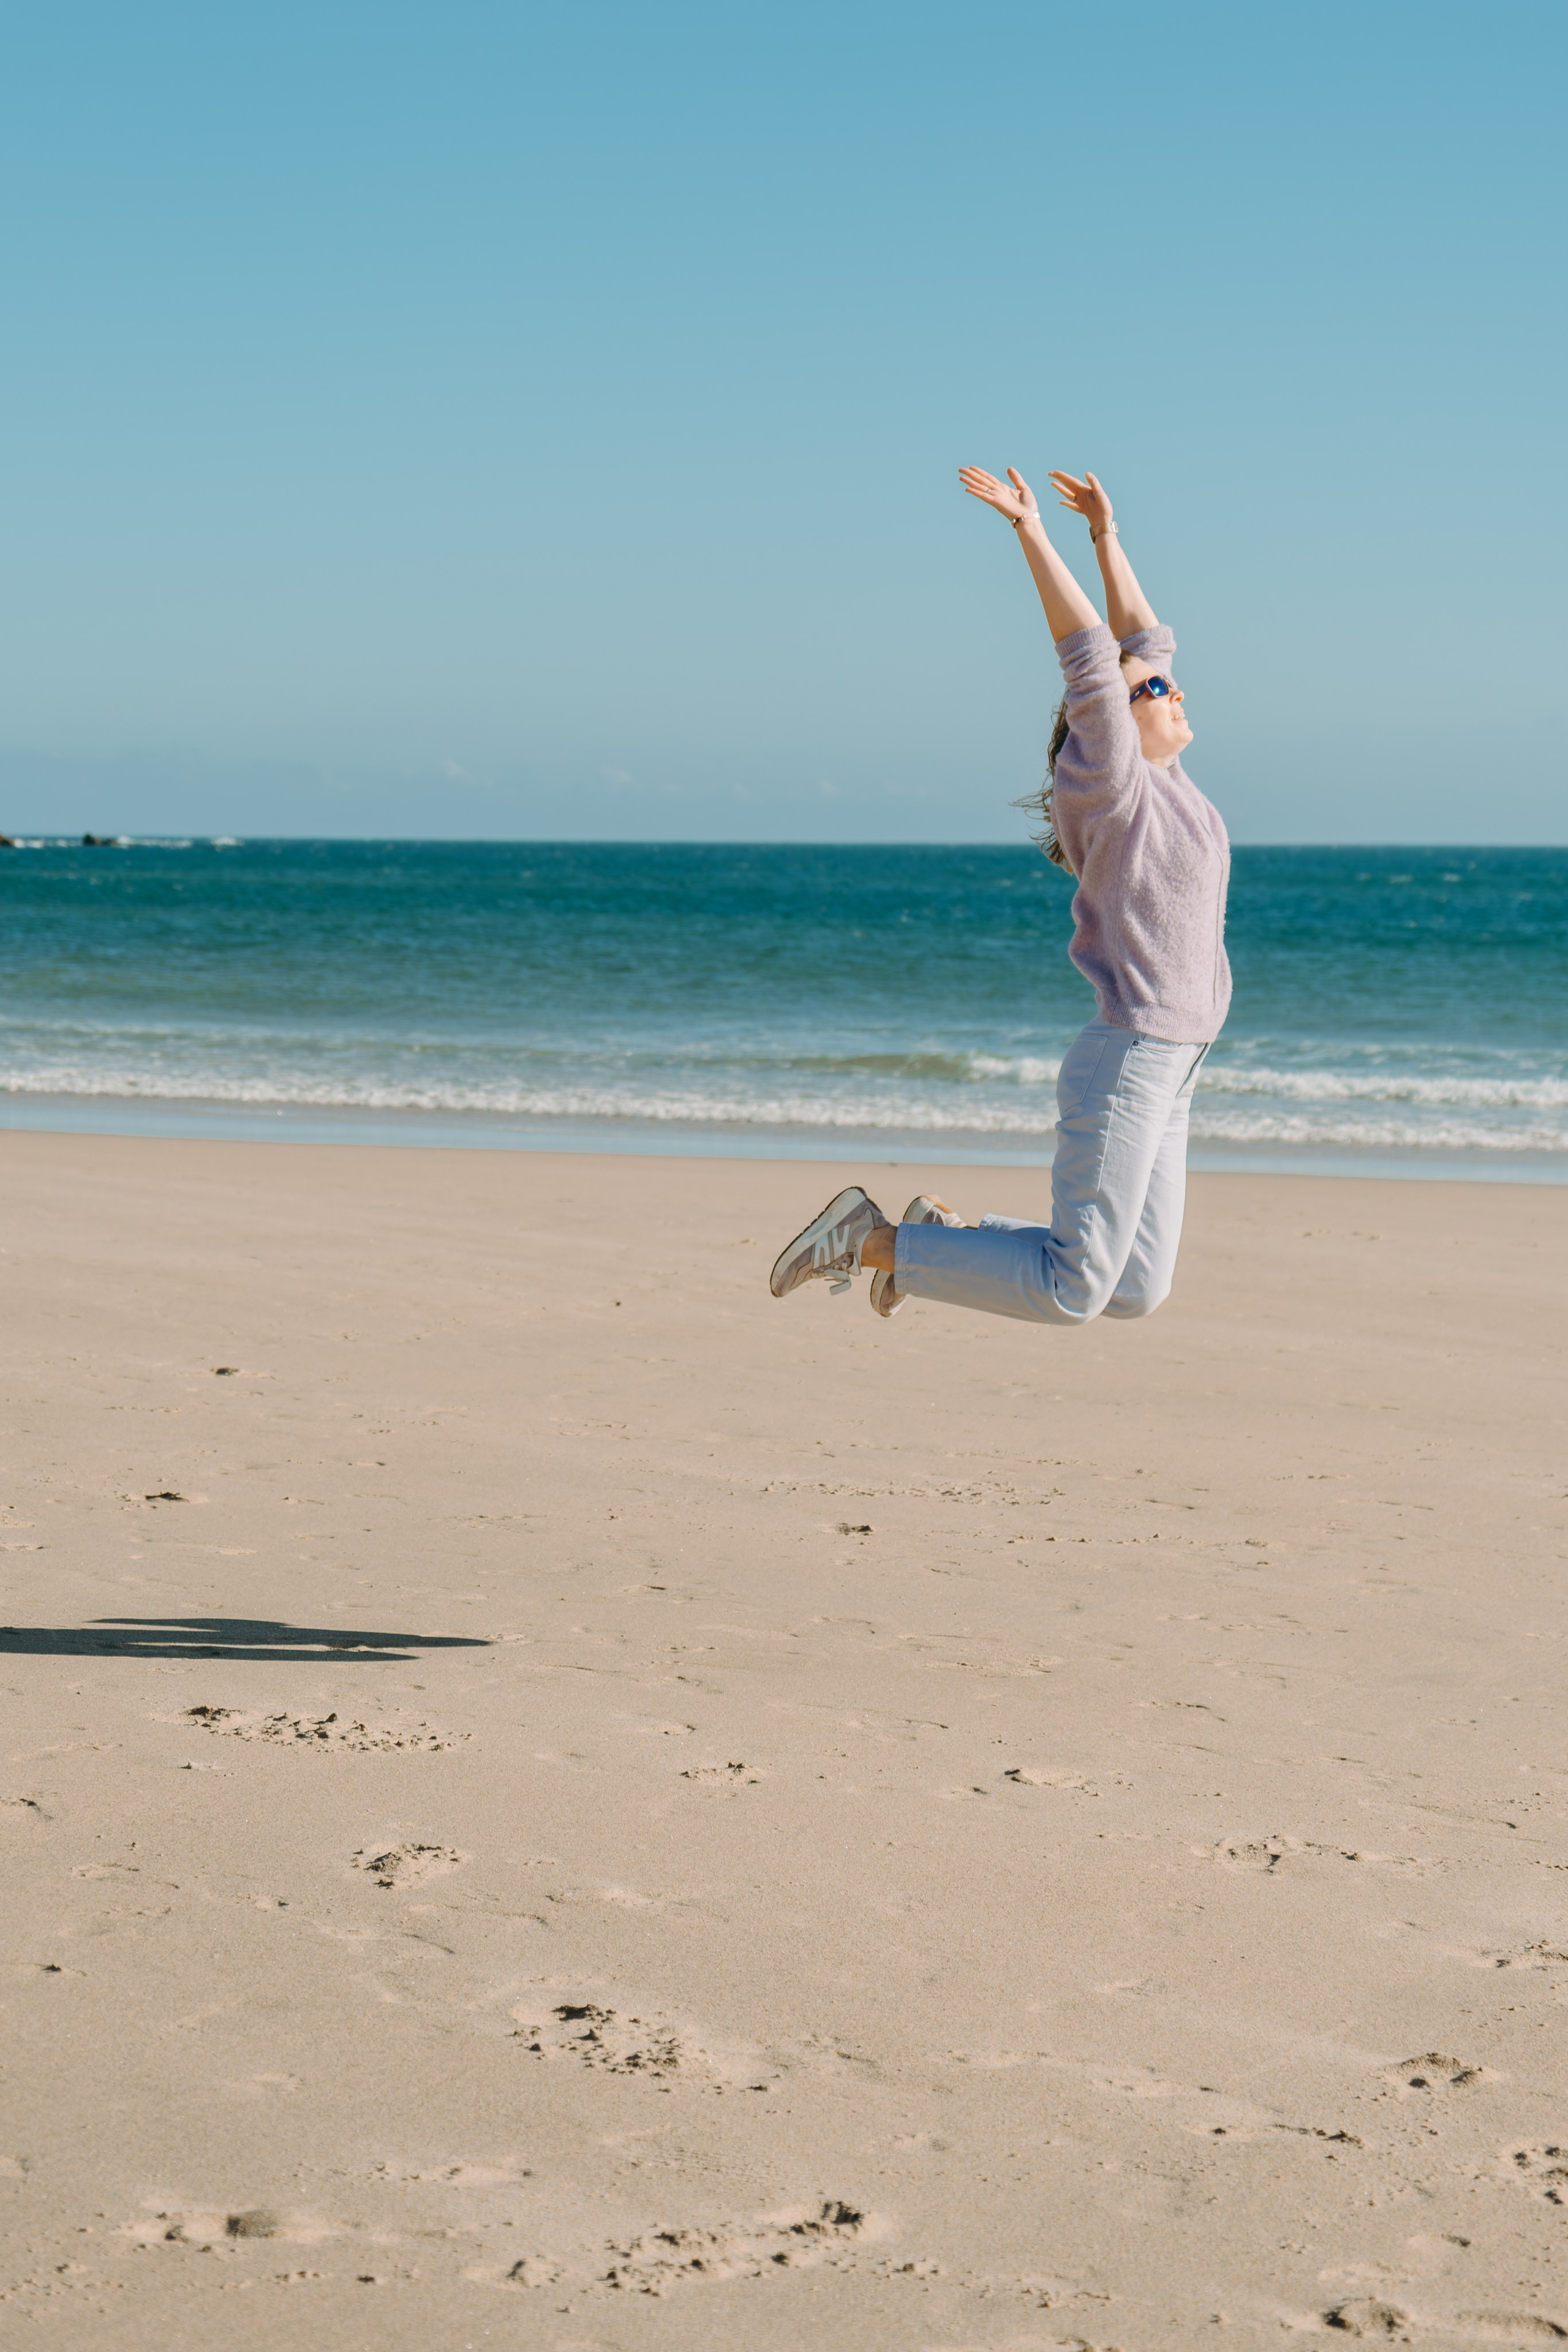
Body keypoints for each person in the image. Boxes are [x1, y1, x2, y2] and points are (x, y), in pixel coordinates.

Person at [769, 462, 1231, 1327]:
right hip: (1130, 1060)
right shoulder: (1115, 790)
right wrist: (1032, 531)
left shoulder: (1169, 780)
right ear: (1113, 729)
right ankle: (871, 1241)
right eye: (1154, 691)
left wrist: (1107, 535)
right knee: (1073, 1290)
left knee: (1134, 1287)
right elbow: (1098, 661)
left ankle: (939, 1235)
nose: (1172, 684)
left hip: (1177, 1065)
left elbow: (1141, 642)